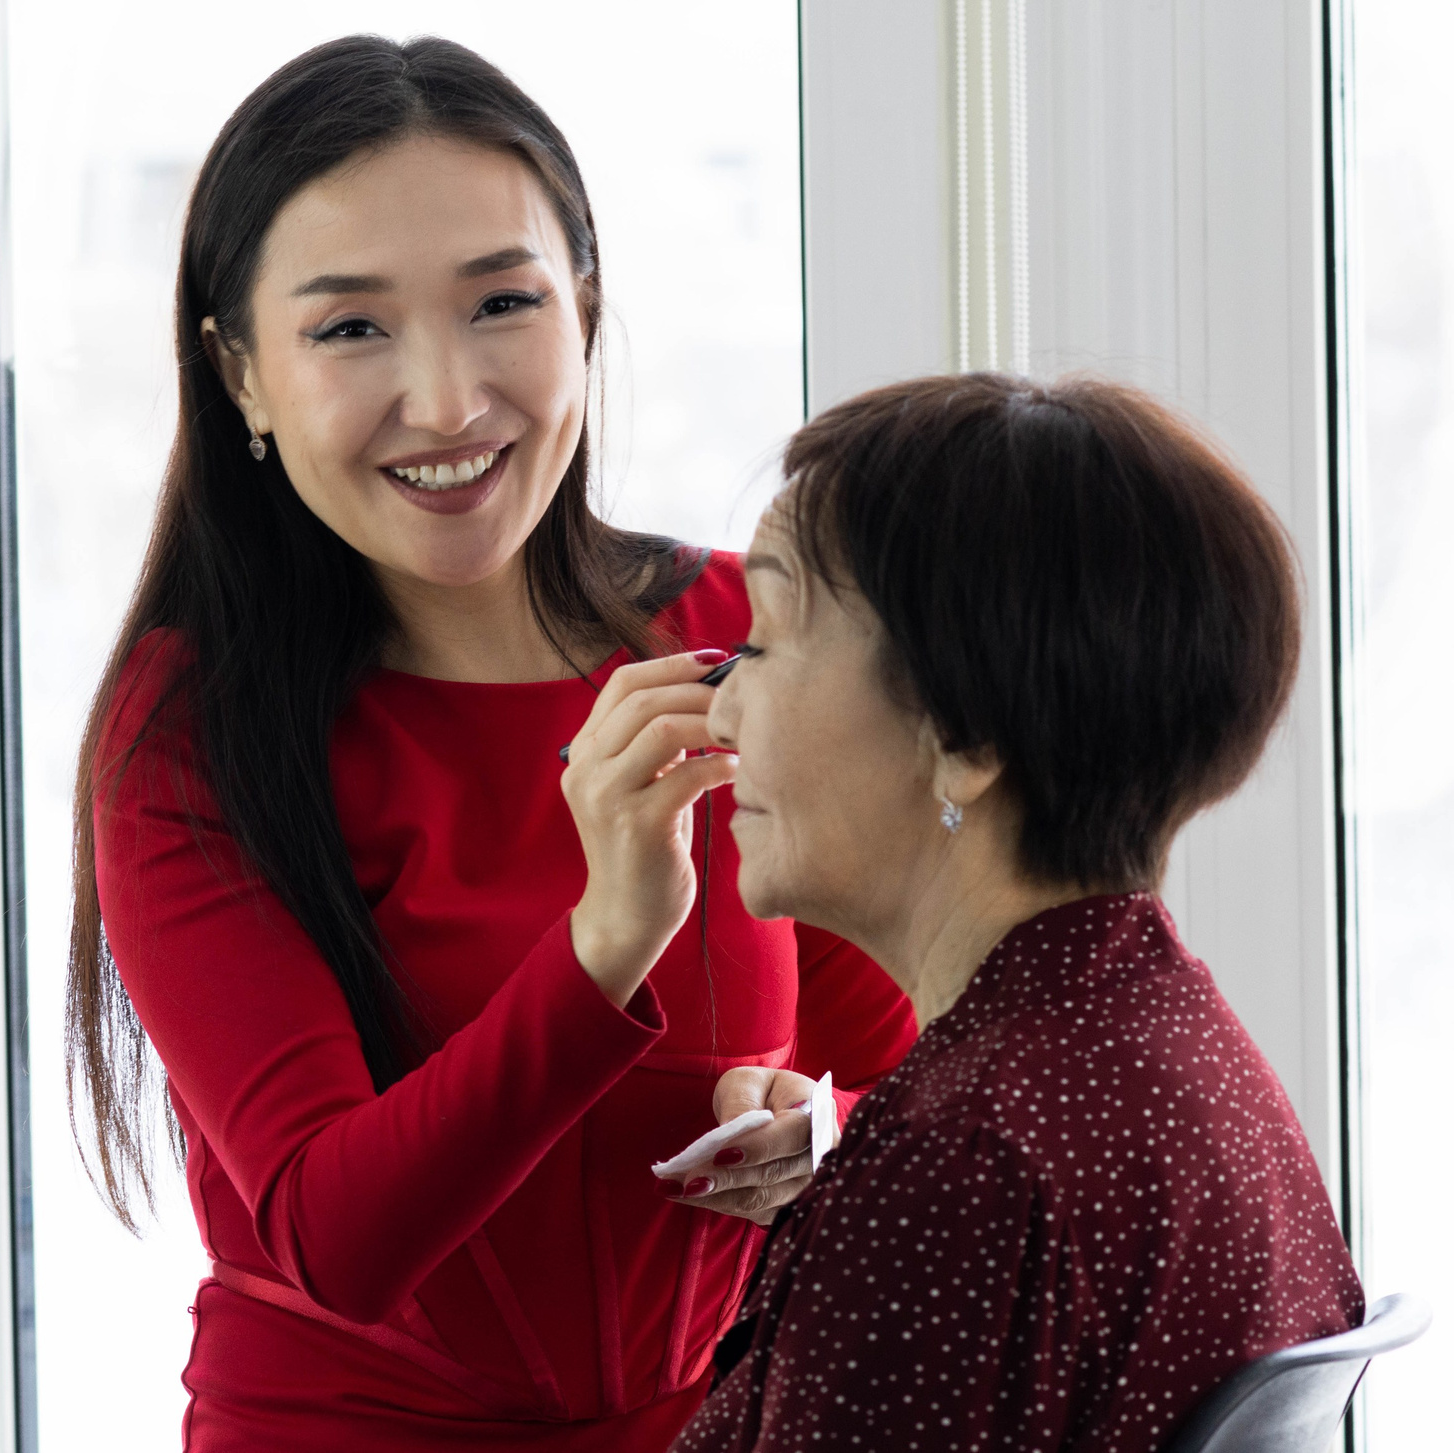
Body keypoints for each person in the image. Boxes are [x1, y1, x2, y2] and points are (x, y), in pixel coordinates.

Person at [68, 35, 916, 1449]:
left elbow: (913, 1068)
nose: (449, 402)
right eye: (351, 328)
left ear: (584, 307)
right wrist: (605, 945)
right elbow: (335, 1237)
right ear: (241, 376)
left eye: (502, 303)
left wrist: (819, 1134)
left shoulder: (736, 633)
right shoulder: (193, 728)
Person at [674, 373, 1365, 1452]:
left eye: (760, 644)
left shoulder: (959, 1164)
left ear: (965, 737)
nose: (719, 713)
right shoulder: (1177, 1049)